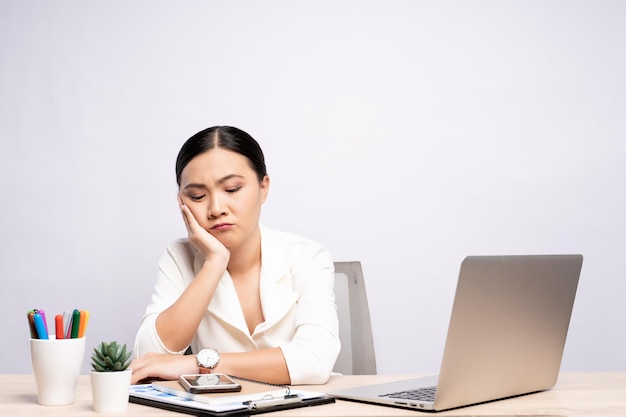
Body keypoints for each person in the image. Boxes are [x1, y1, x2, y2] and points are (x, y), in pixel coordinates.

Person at [130, 126, 340, 385]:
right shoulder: (179, 256)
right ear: (181, 203)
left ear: (263, 188)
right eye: (197, 196)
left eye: (231, 189)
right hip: (218, 409)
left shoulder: (308, 256)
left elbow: (314, 362)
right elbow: (151, 357)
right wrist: (214, 262)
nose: (216, 208)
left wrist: (198, 364)